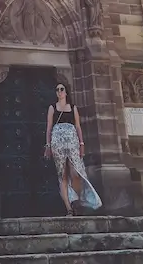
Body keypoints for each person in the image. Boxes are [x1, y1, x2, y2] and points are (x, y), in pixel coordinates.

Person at [44, 82, 102, 215]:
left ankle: (77, 200)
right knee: (62, 175)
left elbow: (78, 127)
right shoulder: (52, 108)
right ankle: (69, 208)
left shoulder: (73, 108)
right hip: (57, 143)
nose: (59, 91)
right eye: (57, 89)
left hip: (72, 142)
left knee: (75, 173)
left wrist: (82, 144)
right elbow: (48, 127)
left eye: (61, 89)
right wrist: (48, 145)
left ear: (66, 92)